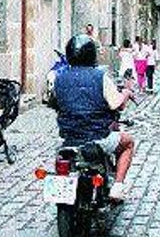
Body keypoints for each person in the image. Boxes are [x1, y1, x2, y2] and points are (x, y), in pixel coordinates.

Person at [54, 35, 136, 201]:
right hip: (97, 137)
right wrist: (126, 93)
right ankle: (118, 186)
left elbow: (54, 101)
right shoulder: (100, 77)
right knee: (128, 142)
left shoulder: (59, 78)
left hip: (69, 139)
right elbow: (116, 105)